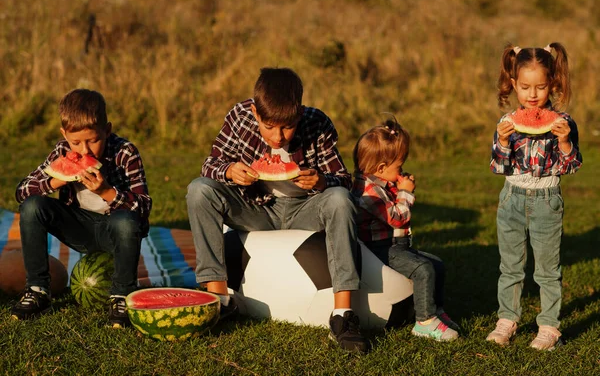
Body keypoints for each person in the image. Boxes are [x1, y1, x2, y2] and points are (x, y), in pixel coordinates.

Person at [186, 67, 369, 353]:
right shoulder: (239, 117)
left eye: (287, 127)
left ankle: (343, 316)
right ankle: (219, 300)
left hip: (304, 209)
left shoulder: (318, 123)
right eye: (269, 126)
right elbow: (210, 165)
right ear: (256, 113)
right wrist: (230, 171)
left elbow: (343, 180)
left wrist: (322, 181)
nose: (278, 137)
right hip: (256, 210)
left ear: (300, 114)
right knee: (199, 190)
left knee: (338, 199)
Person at [12, 89, 152, 328]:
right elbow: (22, 191)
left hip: (116, 233)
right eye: (75, 143)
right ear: (64, 134)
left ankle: (122, 295)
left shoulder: (125, 152)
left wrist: (107, 192)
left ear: (107, 130)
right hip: (78, 229)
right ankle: (38, 290)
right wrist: (56, 181)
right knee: (32, 205)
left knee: (126, 221)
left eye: (93, 140)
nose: (84, 151)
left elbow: (143, 207)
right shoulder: (61, 152)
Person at [487, 43, 582, 351]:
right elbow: (498, 167)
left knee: (547, 269)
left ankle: (549, 326)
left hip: (546, 201)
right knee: (510, 266)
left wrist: (565, 141)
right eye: (525, 87)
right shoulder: (507, 123)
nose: (532, 95)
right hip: (511, 198)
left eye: (540, 87)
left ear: (552, 83)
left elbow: (572, 166)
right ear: (513, 84)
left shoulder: (561, 122)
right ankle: (507, 319)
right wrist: (502, 142)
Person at [351, 118, 460, 342]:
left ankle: (436, 312)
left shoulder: (382, 183)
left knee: (437, 265)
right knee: (423, 269)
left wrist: (399, 187)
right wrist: (405, 193)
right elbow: (397, 219)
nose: (402, 169)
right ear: (381, 168)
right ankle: (424, 322)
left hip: (396, 245)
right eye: (399, 166)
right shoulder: (368, 192)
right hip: (379, 249)